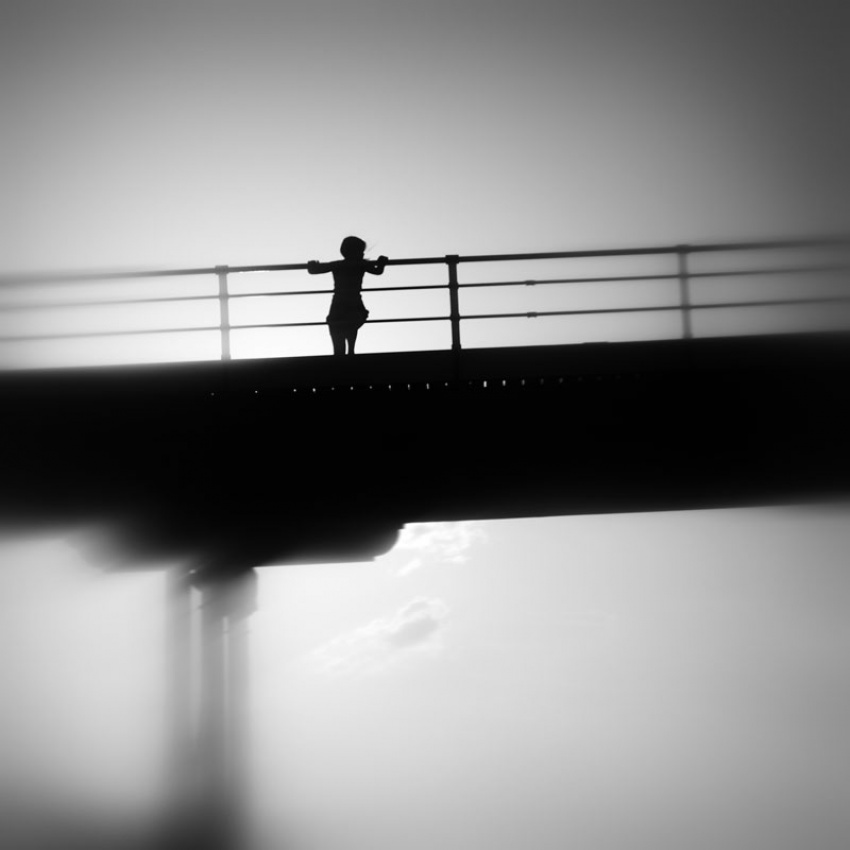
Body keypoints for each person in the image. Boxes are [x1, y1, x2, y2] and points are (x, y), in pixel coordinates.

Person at [308, 236, 388, 356]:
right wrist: (382, 263)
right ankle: (350, 351)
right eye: (361, 251)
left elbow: (315, 271)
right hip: (354, 301)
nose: (362, 254)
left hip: (338, 302)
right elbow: (377, 271)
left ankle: (341, 356)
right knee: (352, 324)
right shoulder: (361, 264)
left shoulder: (338, 265)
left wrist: (312, 265)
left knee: (337, 333)